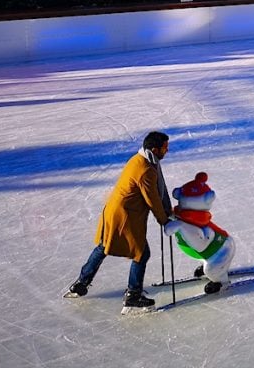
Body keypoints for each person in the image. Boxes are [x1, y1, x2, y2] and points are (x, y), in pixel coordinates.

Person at [65, 131, 173, 313]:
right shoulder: (146, 169)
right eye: (165, 148)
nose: (167, 151)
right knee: (141, 253)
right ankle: (133, 296)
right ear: (155, 149)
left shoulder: (141, 159)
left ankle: (81, 284)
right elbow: (152, 199)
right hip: (125, 216)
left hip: (115, 211)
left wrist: (166, 213)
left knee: (104, 246)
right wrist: (165, 220)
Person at [164, 172, 236, 294]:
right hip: (208, 254)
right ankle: (209, 266)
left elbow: (200, 245)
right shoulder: (183, 217)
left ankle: (221, 282)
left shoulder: (198, 224)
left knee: (211, 270)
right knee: (207, 263)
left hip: (222, 250)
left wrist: (180, 226)